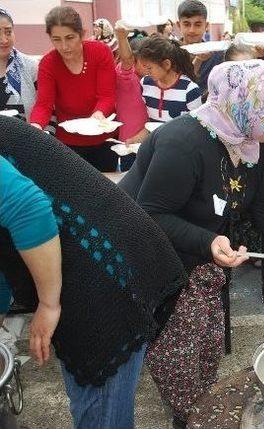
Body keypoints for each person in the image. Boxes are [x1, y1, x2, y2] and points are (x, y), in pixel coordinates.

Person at [0, 115, 186, 429]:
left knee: (100, 414)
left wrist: (48, 304)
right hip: (95, 259)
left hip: (106, 270)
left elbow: (29, 208)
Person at [119, 60, 264, 274]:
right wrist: (209, 241)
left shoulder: (257, 142)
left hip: (198, 252)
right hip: (141, 251)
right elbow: (151, 214)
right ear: (248, 109)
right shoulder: (182, 144)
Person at [30, 6, 118, 172]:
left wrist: (98, 115)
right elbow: (44, 105)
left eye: (70, 38)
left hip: (104, 140)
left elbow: (107, 96)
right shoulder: (48, 63)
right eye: (57, 39)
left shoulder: (100, 52)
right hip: (68, 143)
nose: (64, 46)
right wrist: (35, 126)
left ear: (82, 34)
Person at [138, 35, 202, 124]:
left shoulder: (190, 90)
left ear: (166, 64)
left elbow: (196, 125)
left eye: (149, 68)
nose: (146, 72)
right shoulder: (145, 83)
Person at [113, 23, 148, 171]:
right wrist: (122, 37)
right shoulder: (126, 76)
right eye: (145, 61)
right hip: (129, 146)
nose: (149, 66)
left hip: (149, 143)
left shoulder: (154, 79)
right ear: (134, 60)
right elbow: (126, 60)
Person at [0, 8, 38, 121]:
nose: (4, 40)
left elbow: (47, 105)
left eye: (8, 32)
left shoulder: (31, 67)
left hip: (24, 136)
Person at [177, 0, 222, 92]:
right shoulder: (169, 53)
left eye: (198, 25)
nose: (192, 30)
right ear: (179, 25)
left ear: (206, 26)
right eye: (186, 24)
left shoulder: (216, 54)